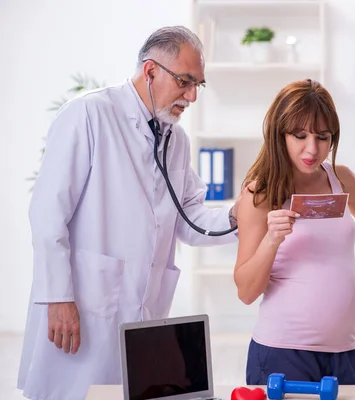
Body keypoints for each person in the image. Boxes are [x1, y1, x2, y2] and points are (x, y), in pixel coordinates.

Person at [17, 26, 238, 400]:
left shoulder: (175, 139)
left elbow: (189, 216)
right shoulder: (89, 114)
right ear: (151, 72)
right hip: (83, 302)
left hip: (140, 312)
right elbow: (47, 214)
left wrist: (238, 216)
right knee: (73, 392)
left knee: (129, 391)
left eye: (199, 84)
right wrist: (57, 296)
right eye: (185, 82)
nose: (192, 95)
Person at [234, 79, 355, 385]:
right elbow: (245, 292)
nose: (313, 149)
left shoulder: (341, 179)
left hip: (345, 351)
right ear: (280, 134)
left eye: (323, 137)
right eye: (300, 135)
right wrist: (272, 240)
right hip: (284, 353)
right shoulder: (260, 194)